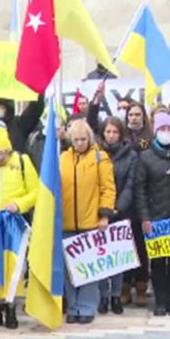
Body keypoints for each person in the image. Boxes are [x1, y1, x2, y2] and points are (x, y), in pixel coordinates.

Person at [0, 125, 39, 329]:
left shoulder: (22, 161)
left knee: (15, 266)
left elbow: (36, 191)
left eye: (4, 152)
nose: (1, 157)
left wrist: (19, 205)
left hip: (13, 223)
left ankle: (11, 306)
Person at [61, 119, 116, 324]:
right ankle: (73, 307)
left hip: (90, 222)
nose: (80, 143)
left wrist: (104, 215)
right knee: (69, 271)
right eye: (76, 140)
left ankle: (86, 307)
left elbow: (107, 188)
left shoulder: (101, 158)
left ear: (90, 138)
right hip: (66, 223)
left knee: (88, 270)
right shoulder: (63, 159)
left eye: (83, 139)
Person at [136, 113, 170, 316]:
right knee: (157, 262)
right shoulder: (146, 157)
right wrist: (144, 217)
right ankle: (160, 301)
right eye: (162, 130)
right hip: (155, 217)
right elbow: (140, 189)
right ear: (156, 132)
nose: (166, 133)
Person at [97, 118, 138, 314]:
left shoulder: (130, 156)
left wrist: (118, 208)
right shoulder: (96, 154)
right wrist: (103, 209)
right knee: (101, 256)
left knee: (118, 257)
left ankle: (116, 296)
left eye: (114, 132)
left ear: (120, 134)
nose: (111, 135)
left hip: (122, 212)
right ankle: (103, 296)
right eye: (108, 132)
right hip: (99, 212)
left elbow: (131, 185)